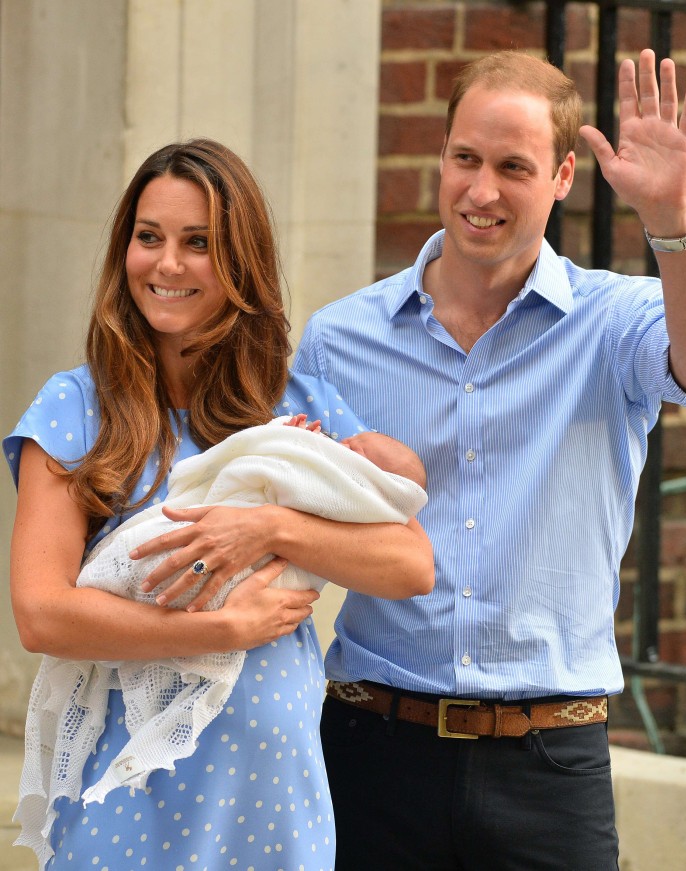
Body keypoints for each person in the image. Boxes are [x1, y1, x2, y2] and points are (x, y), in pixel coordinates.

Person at [293, 49, 686, 870]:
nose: (482, 190)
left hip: (549, 765)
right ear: (442, 156)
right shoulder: (339, 339)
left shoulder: (614, 322)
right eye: (465, 158)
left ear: (565, 174)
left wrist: (671, 219)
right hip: (370, 750)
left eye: (514, 167)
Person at [4, 138, 434, 871]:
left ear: (241, 260)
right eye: (149, 238)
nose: (167, 265)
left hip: (272, 800)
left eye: (197, 243)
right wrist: (220, 626)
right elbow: (41, 613)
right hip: (124, 805)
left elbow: (410, 563)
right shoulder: (77, 407)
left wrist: (271, 526)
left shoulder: (296, 407)